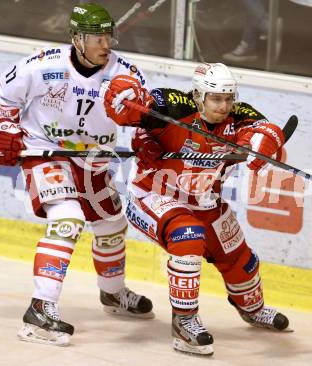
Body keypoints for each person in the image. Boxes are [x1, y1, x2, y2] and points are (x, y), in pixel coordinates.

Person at [0, 2, 154, 347]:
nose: (105, 45)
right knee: (67, 218)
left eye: (108, 37)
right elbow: (5, 93)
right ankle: (40, 308)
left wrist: (145, 135)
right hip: (44, 150)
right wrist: (7, 129)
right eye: (96, 38)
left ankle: (112, 294)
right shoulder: (42, 65)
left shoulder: (126, 75)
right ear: (77, 39)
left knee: (111, 223)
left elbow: (144, 117)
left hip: (94, 159)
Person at [103, 62, 291, 356]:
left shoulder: (238, 117)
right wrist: (129, 109)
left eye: (229, 98)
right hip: (154, 195)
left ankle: (253, 309)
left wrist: (265, 143)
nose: (224, 105)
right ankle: (184, 322)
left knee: (239, 259)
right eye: (216, 98)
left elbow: (264, 130)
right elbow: (136, 108)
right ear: (199, 96)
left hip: (205, 201)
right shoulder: (177, 109)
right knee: (188, 237)